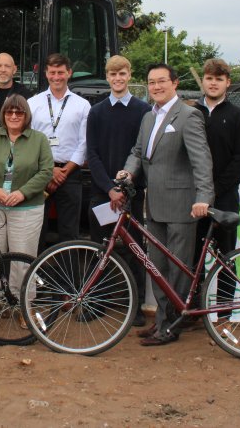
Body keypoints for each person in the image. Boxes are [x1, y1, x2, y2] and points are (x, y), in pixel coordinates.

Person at [114, 63, 214, 345]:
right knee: (156, 265)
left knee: (178, 268)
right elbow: (137, 152)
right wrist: (128, 171)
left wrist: (204, 197)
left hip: (182, 205)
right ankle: (162, 319)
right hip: (154, 204)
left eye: (161, 82)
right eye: (151, 82)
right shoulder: (149, 117)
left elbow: (201, 161)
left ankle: (172, 325)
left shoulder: (189, 115)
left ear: (175, 83)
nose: (156, 87)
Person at [0, 94, 54, 322]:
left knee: (23, 257)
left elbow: (46, 171)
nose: (14, 116)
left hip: (27, 208)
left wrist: (22, 192)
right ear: (3, 114)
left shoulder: (39, 140)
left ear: (26, 115)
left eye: (19, 112)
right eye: (9, 112)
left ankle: (23, 305)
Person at [85, 55, 152, 327]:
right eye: (113, 74)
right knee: (100, 249)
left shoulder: (143, 111)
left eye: (122, 73)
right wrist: (109, 188)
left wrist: (127, 188)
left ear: (129, 75)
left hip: (132, 195)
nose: (117, 79)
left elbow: (144, 153)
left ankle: (134, 307)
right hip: (103, 195)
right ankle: (96, 302)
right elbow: (92, 153)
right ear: (107, 77)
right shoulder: (97, 111)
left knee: (134, 248)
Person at [192, 58, 240, 304]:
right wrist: (200, 193)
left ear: (227, 83)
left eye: (219, 79)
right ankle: (195, 310)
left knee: (225, 259)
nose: (213, 83)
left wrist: (213, 191)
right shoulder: (191, 113)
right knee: (194, 258)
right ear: (203, 81)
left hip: (224, 198)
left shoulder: (238, 116)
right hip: (194, 198)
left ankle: (224, 313)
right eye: (209, 78)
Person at [27, 53, 90, 247]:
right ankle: (34, 275)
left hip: (70, 175)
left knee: (69, 231)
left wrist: (64, 171)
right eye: (52, 72)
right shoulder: (33, 103)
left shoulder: (82, 105)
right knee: (36, 230)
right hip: (39, 172)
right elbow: (28, 140)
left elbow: (84, 142)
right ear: (46, 73)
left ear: (69, 73)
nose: (56, 77)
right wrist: (49, 170)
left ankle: (67, 276)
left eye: (61, 72)